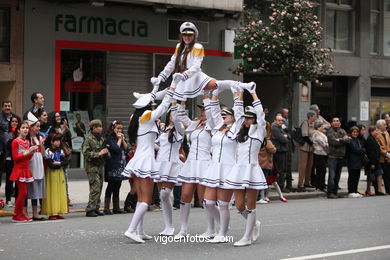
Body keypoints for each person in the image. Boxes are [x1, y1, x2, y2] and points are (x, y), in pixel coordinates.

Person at [122, 88, 174, 243]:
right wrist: (170, 92)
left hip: (139, 160)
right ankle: (131, 230)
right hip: (145, 161)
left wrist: (167, 89)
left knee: (140, 199)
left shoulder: (135, 116)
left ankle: (140, 231)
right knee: (146, 199)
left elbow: (156, 100)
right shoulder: (146, 116)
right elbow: (163, 107)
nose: (153, 106)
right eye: (151, 104)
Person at [201, 82, 247, 243]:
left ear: (233, 117)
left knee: (223, 204)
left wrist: (238, 95)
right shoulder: (217, 128)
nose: (222, 117)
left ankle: (223, 233)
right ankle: (223, 226)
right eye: (222, 116)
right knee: (208, 202)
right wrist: (216, 92)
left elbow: (240, 113)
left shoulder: (236, 129)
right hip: (214, 168)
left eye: (226, 115)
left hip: (228, 169)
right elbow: (213, 112)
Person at [223, 84, 268, 247]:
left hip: (252, 169)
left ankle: (247, 237)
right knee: (239, 205)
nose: (247, 120)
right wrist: (240, 94)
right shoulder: (239, 132)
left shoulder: (259, 131)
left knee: (251, 204)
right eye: (246, 118)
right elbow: (238, 113)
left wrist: (253, 92)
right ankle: (254, 223)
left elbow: (261, 113)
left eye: (250, 118)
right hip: (238, 170)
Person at [151, 22, 217, 101]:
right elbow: (171, 63)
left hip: (194, 75)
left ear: (194, 36)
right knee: (170, 92)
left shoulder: (198, 47)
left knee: (216, 84)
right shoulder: (179, 46)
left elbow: (196, 66)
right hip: (182, 76)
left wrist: (184, 75)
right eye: (184, 35)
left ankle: (233, 86)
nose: (187, 37)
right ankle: (149, 97)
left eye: (190, 35)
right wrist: (160, 77)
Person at [154, 105, 184, 236]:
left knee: (165, 194)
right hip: (160, 163)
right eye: (172, 114)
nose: (174, 116)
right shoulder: (163, 129)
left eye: (176, 114)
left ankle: (170, 226)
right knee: (163, 196)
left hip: (171, 164)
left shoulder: (179, 129)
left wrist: (175, 104)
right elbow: (158, 146)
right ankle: (168, 226)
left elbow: (178, 125)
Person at [9, 120, 37, 222]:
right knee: (22, 193)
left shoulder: (27, 141)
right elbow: (15, 158)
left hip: (25, 169)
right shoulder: (15, 141)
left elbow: (28, 159)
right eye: (23, 128)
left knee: (24, 193)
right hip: (19, 169)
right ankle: (16, 215)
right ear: (18, 130)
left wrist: (32, 152)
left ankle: (20, 214)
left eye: (26, 128)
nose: (25, 130)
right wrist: (28, 152)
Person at [82, 119, 110, 217]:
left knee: (100, 186)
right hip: (92, 166)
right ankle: (90, 209)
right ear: (94, 128)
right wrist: (98, 153)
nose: (101, 128)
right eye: (99, 126)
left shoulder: (101, 139)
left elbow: (106, 152)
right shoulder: (88, 139)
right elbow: (86, 153)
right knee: (95, 187)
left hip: (100, 166)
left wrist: (106, 153)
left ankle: (96, 207)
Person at [103, 120, 128, 215]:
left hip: (120, 165)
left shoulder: (121, 137)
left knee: (118, 186)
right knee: (111, 186)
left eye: (121, 128)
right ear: (113, 128)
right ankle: (106, 207)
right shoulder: (109, 138)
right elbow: (116, 149)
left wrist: (123, 139)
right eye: (118, 128)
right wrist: (120, 140)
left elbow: (127, 149)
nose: (120, 130)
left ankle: (116, 207)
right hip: (112, 166)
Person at [48, 111, 73, 206]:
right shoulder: (51, 129)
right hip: (55, 156)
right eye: (56, 116)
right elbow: (56, 138)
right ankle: (58, 198)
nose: (58, 118)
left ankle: (66, 198)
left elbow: (68, 139)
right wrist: (64, 129)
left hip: (63, 155)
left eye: (59, 116)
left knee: (65, 178)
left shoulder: (64, 127)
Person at [42, 133, 68, 220]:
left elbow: (66, 162)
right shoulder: (48, 151)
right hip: (51, 174)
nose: (58, 142)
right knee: (52, 192)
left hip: (59, 173)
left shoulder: (60, 151)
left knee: (60, 191)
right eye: (56, 141)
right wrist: (60, 163)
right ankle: (52, 213)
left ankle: (58, 211)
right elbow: (50, 165)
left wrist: (57, 163)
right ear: (51, 142)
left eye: (58, 140)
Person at [25, 113, 46, 220]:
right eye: (37, 126)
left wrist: (41, 144)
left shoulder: (39, 138)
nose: (39, 128)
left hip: (38, 165)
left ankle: (35, 213)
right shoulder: (27, 139)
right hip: (30, 165)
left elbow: (42, 154)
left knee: (35, 191)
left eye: (39, 126)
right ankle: (25, 213)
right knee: (26, 190)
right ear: (31, 127)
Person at [326, 117, 350, 199]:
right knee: (332, 176)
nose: (336, 122)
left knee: (337, 176)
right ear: (331, 123)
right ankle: (330, 192)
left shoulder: (342, 131)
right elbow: (333, 142)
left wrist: (339, 140)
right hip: (333, 156)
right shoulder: (330, 131)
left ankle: (335, 192)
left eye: (337, 121)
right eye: (334, 121)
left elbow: (348, 141)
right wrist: (342, 140)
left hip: (341, 156)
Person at [4, 115, 21, 207]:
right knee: (9, 180)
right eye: (12, 121)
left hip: (18, 160)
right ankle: (8, 199)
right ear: (10, 123)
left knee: (18, 180)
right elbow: (7, 146)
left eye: (16, 122)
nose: (14, 123)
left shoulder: (20, 134)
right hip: (10, 159)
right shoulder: (8, 134)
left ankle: (17, 199)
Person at [298, 111, 317, 191]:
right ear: (310, 116)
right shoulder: (305, 123)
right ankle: (300, 183)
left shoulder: (313, 125)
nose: (315, 118)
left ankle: (307, 182)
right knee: (303, 166)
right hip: (305, 147)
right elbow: (305, 135)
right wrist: (312, 143)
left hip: (311, 148)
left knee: (310, 165)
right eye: (314, 116)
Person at [365, 125, 386, 195]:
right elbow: (371, 152)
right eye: (375, 131)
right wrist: (372, 163)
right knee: (371, 176)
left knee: (379, 174)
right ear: (371, 132)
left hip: (376, 160)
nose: (377, 132)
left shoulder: (374, 138)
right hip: (373, 161)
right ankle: (369, 189)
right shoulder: (370, 140)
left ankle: (379, 188)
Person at [346, 126, 365, 198]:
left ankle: (355, 190)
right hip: (352, 160)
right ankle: (351, 191)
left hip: (358, 161)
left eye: (357, 132)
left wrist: (362, 150)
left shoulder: (358, 140)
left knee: (357, 176)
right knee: (352, 176)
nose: (355, 133)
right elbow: (356, 149)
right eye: (354, 132)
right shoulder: (350, 140)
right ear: (351, 133)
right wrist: (362, 150)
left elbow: (362, 148)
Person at [271, 115, 289, 191]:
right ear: (275, 121)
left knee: (282, 168)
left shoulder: (282, 127)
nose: (281, 122)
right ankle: (280, 186)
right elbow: (283, 139)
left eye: (282, 120)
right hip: (278, 150)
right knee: (279, 169)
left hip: (282, 150)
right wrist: (284, 136)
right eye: (279, 120)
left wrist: (286, 136)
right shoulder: (274, 128)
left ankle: (280, 185)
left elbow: (288, 136)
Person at [0, 101, 15, 192]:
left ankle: (9, 193)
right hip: (1, 150)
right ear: (2, 108)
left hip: (12, 151)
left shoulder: (14, 118)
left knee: (11, 174)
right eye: (5, 106)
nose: (7, 108)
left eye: (9, 106)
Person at [310, 120, 328, 192]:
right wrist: (327, 145)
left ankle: (321, 185)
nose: (323, 127)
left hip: (323, 153)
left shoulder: (321, 133)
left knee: (322, 170)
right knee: (321, 170)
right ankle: (319, 185)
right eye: (321, 126)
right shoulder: (316, 134)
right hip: (319, 153)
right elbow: (322, 143)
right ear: (318, 127)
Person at [375, 119, 390, 194]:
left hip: (388, 157)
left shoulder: (387, 133)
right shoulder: (377, 135)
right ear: (380, 126)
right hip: (381, 158)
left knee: (388, 174)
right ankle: (379, 189)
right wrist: (386, 154)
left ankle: (388, 189)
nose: (386, 126)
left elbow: (388, 145)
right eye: (384, 125)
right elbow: (379, 147)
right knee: (382, 174)